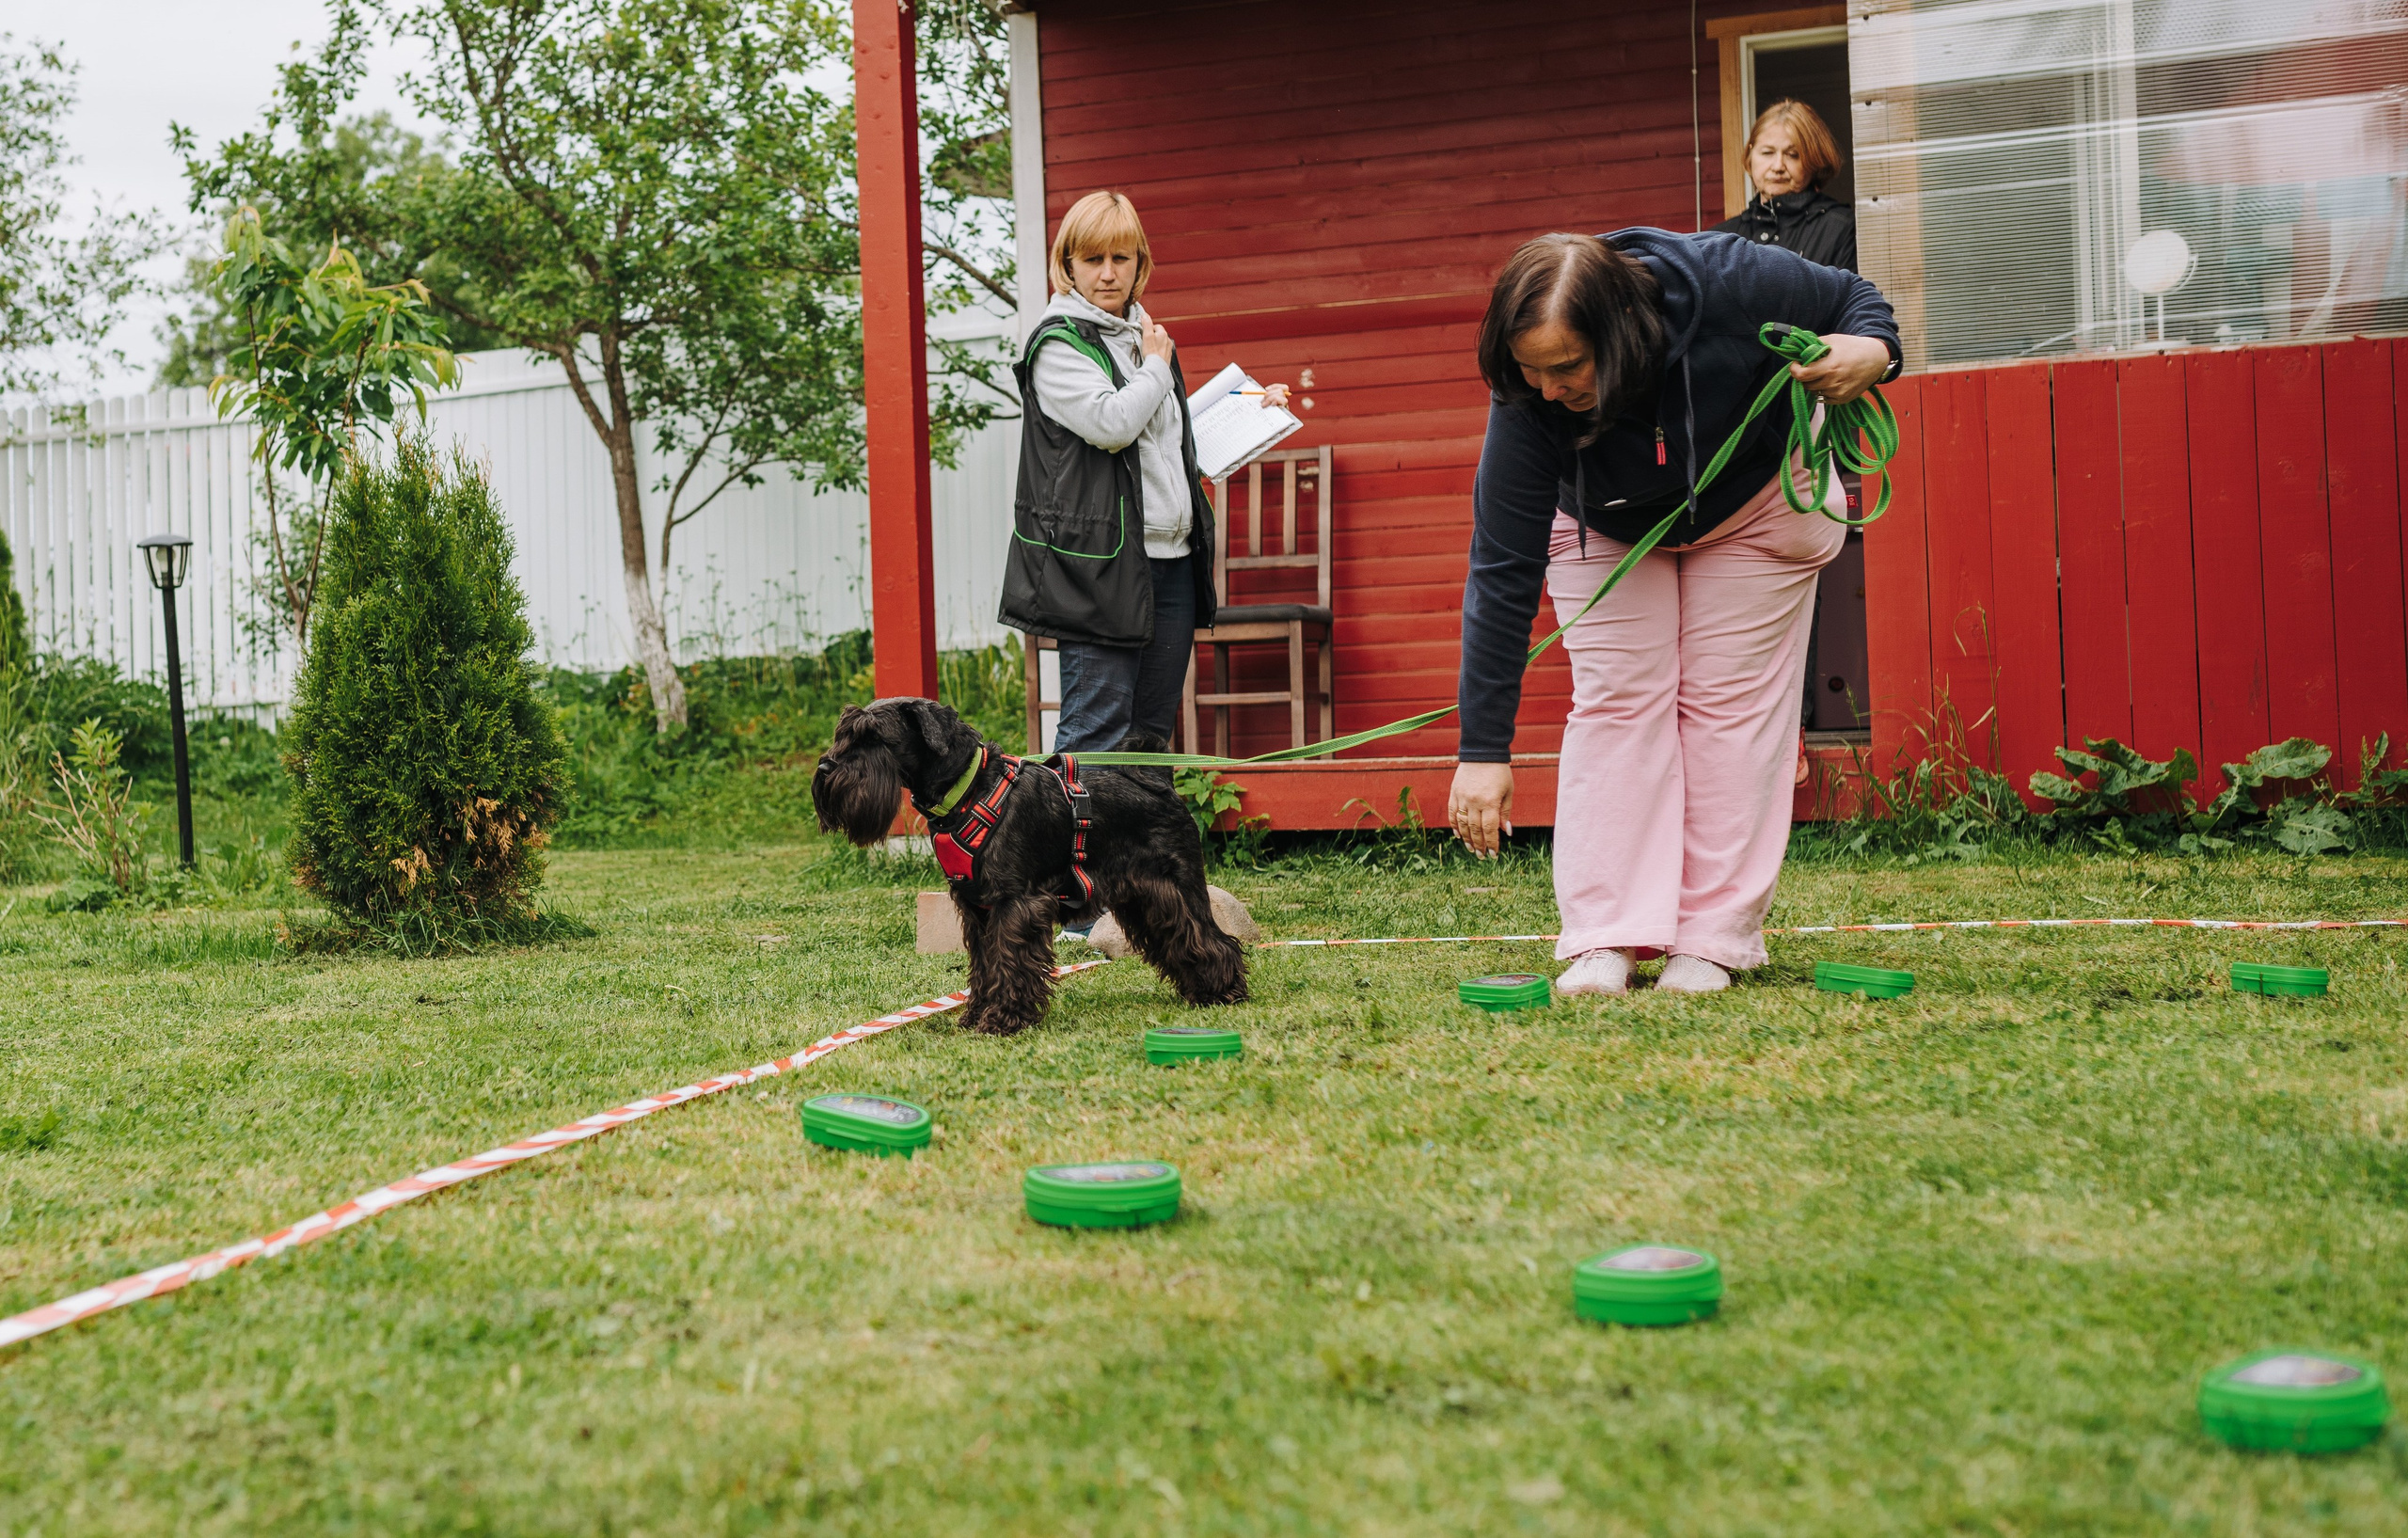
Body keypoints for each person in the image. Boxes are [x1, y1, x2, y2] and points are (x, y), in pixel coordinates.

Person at [1445, 230, 1899, 995]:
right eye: (1532, 372)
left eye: (1568, 368)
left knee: (1729, 707)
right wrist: (1482, 750)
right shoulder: (1529, 402)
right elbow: (1502, 567)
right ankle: (1606, 937)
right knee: (1620, 699)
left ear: (1620, 333)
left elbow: (1855, 299)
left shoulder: (1731, 281)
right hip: (1605, 519)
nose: (1550, 390)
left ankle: (1712, 941)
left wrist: (1872, 351)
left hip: (1753, 501)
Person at [999, 190, 1289, 754]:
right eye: (1093, 260)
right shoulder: (1059, 345)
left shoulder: (1143, 338)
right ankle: (1075, 844)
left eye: (1121, 259)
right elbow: (1113, 424)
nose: (1108, 274)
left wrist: (1250, 411)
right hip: (1101, 569)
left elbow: (1167, 444)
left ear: (1140, 264)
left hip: (1172, 561)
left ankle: (1135, 846)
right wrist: (1156, 366)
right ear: (1068, 266)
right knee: (1095, 736)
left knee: (1149, 737)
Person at [1714, 99, 1855, 271]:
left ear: (1815, 160)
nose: (1778, 166)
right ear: (1750, 156)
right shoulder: (1720, 239)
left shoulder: (1841, 227)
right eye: (1767, 153)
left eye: (1792, 155)